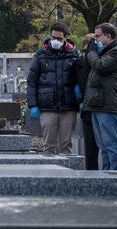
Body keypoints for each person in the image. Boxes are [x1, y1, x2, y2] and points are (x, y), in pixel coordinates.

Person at [27, 22, 79, 155]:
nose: (56, 41)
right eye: (53, 37)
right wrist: (33, 104)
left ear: (66, 38)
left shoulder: (73, 55)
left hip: (68, 106)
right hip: (48, 106)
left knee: (66, 145)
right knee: (48, 145)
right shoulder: (40, 55)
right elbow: (32, 82)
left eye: (59, 38)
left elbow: (80, 78)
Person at [83, 22, 117, 170]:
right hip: (99, 103)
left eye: (98, 36)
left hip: (108, 104)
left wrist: (91, 52)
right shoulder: (107, 51)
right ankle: (106, 176)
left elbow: (100, 66)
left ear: (108, 36)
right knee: (103, 145)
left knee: (111, 144)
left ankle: (116, 177)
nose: (95, 40)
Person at [75, 33, 99, 170]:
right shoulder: (80, 62)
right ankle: (92, 170)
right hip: (87, 106)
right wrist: (79, 99)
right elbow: (78, 81)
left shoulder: (99, 60)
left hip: (98, 104)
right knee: (90, 144)